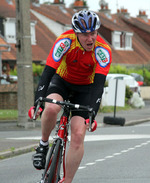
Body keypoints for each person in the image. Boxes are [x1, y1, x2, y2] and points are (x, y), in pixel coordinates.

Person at [28, 10, 112, 183]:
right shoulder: (65, 41)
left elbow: (98, 86)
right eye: (85, 34)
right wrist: (38, 102)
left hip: (86, 89)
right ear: (76, 33)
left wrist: (92, 114)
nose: (90, 39)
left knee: (79, 133)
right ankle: (43, 145)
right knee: (51, 107)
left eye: (94, 33)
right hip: (62, 82)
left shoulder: (103, 51)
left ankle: (67, 180)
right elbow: (47, 73)